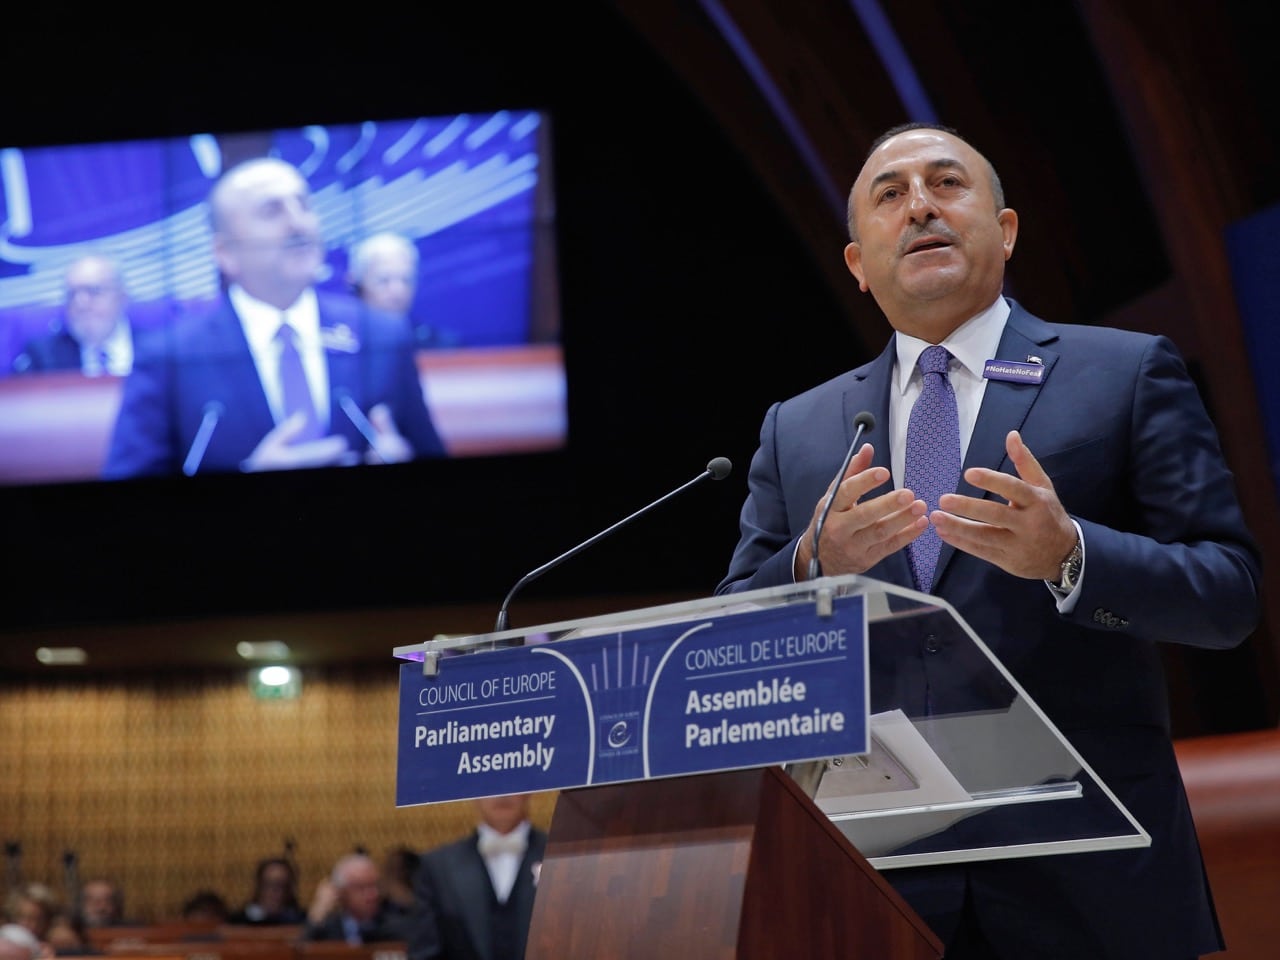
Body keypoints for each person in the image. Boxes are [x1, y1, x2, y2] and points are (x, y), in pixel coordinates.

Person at [715, 122, 1262, 959]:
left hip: (1091, 884)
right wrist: (811, 564)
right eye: (889, 195)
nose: (921, 207)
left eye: (947, 183)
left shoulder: (1124, 372)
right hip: (874, 892)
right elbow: (728, 633)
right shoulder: (800, 429)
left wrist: (1071, 555)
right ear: (859, 265)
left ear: (1004, 232)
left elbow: (1226, 595)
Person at [102, 156, 447, 478]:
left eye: (304, 205)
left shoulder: (381, 334)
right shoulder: (168, 357)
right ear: (225, 253)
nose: (298, 223)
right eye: (272, 211)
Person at [406, 793, 546, 960]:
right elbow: (424, 952)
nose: (502, 793)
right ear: (473, 790)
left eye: (511, 781)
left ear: (530, 791)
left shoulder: (566, 858)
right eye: (491, 782)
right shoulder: (437, 867)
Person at [11, 254, 133, 377]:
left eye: (94, 291)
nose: (80, 303)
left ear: (121, 297)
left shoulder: (151, 348)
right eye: (72, 294)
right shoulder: (43, 355)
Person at [301, 852, 410, 945]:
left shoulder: (399, 927)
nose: (372, 894)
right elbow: (299, 954)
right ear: (341, 892)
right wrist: (317, 914)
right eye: (361, 887)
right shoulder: (326, 930)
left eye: (374, 885)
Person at [347, 233, 419, 319]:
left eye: (406, 280)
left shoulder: (425, 331)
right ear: (358, 287)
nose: (398, 291)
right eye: (384, 280)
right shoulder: (342, 330)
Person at [226, 857, 306, 926]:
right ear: (259, 886)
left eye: (281, 885)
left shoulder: (300, 921)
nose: (275, 891)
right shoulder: (239, 921)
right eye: (269, 884)